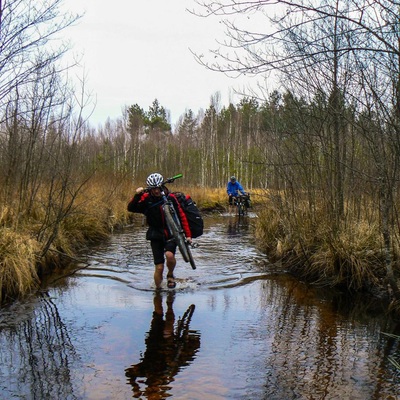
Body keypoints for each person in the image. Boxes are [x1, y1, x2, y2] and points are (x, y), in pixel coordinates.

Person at [127, 172, 192, 289]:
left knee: (169, 255)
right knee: (159, 267)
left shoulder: (170, 198)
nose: (156, 191)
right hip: (155, 234)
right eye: (153, 189)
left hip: (171, 232)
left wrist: (188, 235)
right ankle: (157, 292)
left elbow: (181, 216)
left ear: (161, 186)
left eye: (158, 188)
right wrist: (137, 195)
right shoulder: (146, 199)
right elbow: (131, 208)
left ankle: (170, 275)